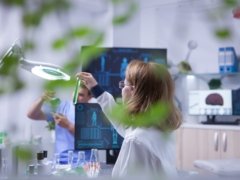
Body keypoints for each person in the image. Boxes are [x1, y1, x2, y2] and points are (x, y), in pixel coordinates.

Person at [77, 60, 182, 178]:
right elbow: (123, 125)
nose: (122, 89)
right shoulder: (162, 129)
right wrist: (94, 87)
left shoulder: (135, 140)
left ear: (135, 92)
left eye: (124, 84)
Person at [27, 84, 93, 154]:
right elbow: (32, 115)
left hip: (83, 160)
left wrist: (68, 125)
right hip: (61, 160)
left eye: (80, 95)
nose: (75, 97)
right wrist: (41, 99)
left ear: (90, 97)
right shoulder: (62, 107)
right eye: (75, 92)